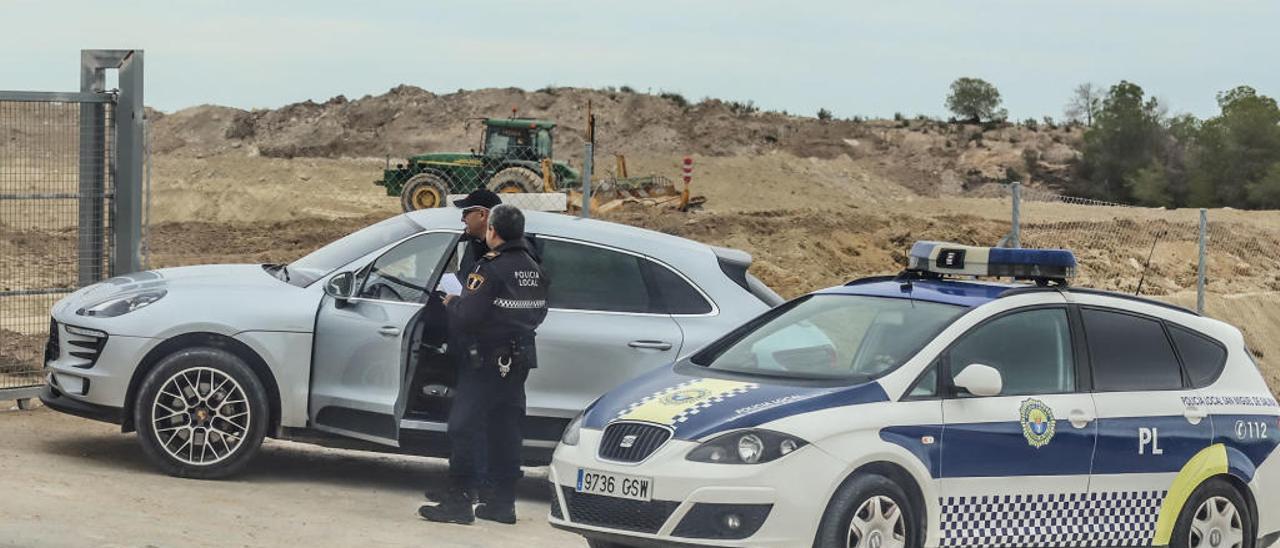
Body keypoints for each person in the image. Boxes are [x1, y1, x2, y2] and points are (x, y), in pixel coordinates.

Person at [420, 204, 549, 525]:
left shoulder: (489, 267)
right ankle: (501, 504)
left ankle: (459, 503)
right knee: (505, 431)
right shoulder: (534, 266)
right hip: (518, 360)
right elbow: (539, 312)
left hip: (486, 360)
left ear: (492, 231)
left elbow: (469, 315)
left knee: (463, 426)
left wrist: (452, 303)